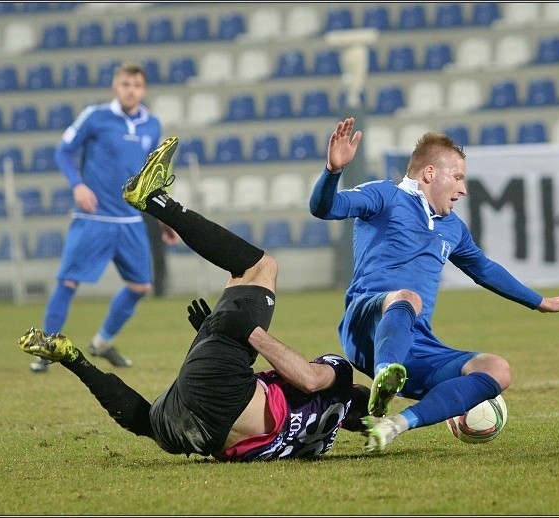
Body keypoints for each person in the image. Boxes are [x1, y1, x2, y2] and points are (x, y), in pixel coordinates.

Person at [19, 137, 371, 461]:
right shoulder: (319, 446)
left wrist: (251, 331)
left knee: (259, 267)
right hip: (195, 433)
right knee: (147, 423)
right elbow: (139, 417)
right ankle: (71, 356)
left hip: (225, 395)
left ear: (355, 389)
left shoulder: (339, 380)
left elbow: (309, 380)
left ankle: (154, 200)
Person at [309, 117, 559, 453]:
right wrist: (332, 171)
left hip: (414, 341)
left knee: (497, 370)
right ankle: (385, 375)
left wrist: (539, 301)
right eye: (457, 177)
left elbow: (483, 268)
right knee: (407, 297)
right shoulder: (384, 196)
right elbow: (325, 208)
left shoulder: (452, 228)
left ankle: (395, 424)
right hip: (367, 323)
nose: (463, 188)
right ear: (429, 174)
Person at [30, 62, 177, 373]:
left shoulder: (152, 125)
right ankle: (46, 349)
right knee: (68, 280)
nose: (130, 90)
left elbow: (153, 176)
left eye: (136, 85)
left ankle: (102, 343)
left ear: (144, 90)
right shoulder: (95, 117)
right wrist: (78, 185)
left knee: (140, 287)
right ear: (115, 87)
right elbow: (63, 152)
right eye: (125, 84)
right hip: (94, 218)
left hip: (131, 221)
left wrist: (166, 217)